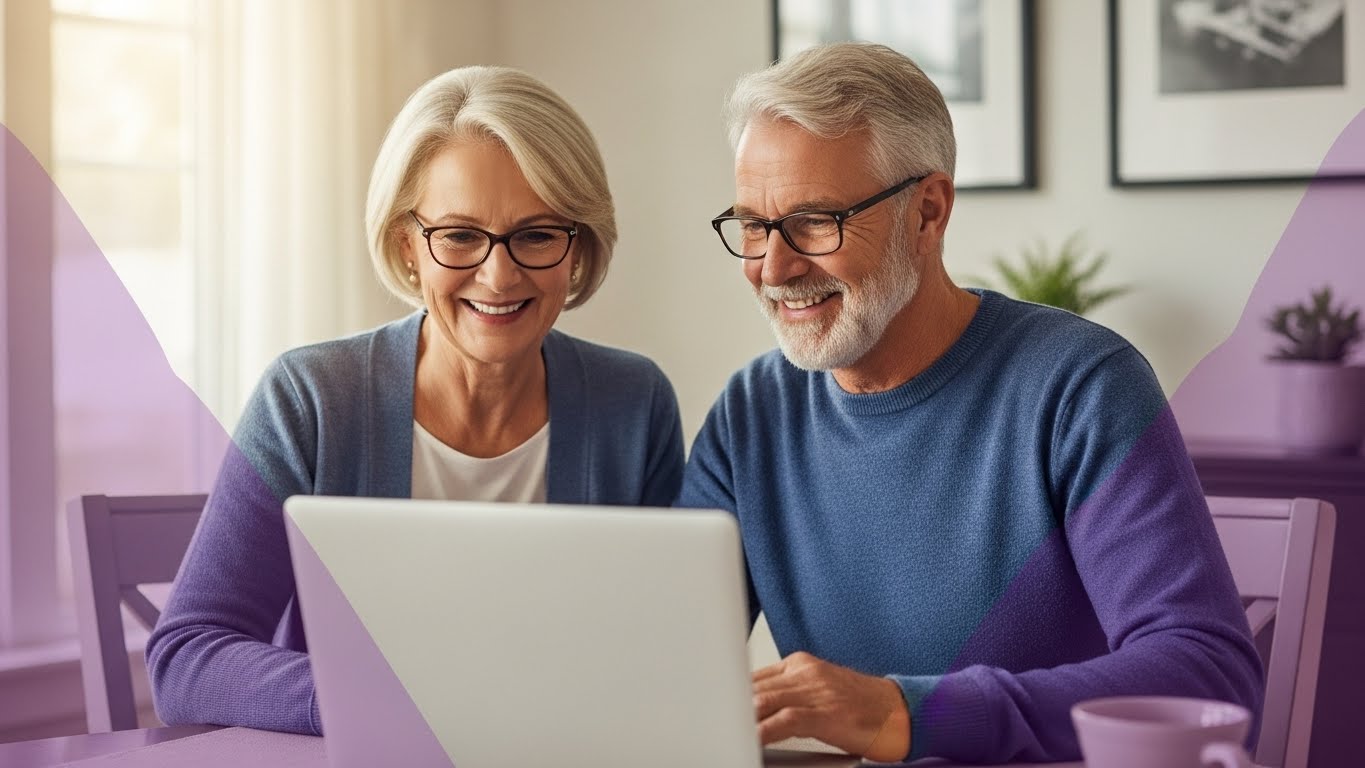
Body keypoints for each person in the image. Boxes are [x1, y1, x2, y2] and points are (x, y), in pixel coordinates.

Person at [679, 42, 1262, 764]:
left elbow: (1211, 681)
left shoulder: (1079, 385)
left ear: (927, 211)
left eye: (814, 221)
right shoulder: (748, 417)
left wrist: (908, 713)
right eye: (753, 226)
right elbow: (662, 666)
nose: (773, 266)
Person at [147, 66, 685, 734]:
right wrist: (382, 699)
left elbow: (660, 657)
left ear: (577, 248)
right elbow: (186, 660)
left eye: (537, 233)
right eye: (459, 235)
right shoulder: (311, 399)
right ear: (409, 246)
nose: (498, 274)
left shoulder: (634, 405)